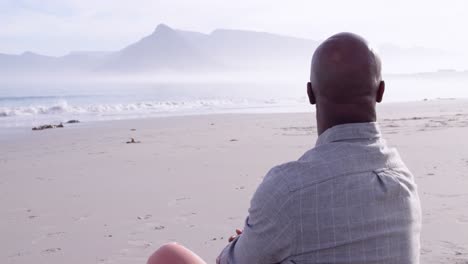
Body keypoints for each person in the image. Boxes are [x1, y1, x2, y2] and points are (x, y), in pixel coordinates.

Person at [147, 32, 422, 264]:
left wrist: (248, 242)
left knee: (167, 255)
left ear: (310, 93)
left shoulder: (289, 189)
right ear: (381, 91)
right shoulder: (402, 179)